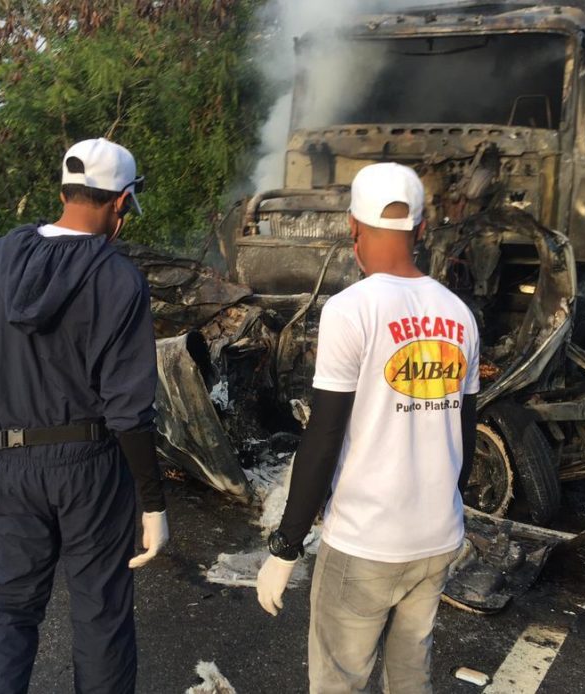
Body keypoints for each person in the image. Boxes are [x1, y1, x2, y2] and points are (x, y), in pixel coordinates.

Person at [0, 137, 168, 694]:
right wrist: (153, 501)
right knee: (101, 613)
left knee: (5, 611)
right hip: (91, 465)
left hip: (10, 462)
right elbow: (128, 406)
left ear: (65, 190)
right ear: (119, 204)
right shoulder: (118, 278)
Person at [255, 162, 480, 693]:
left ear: (352, 228)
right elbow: (463, 440)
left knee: (339, 683)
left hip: (365, 543)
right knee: (409, 679)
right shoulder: (460, 314)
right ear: (422, 231)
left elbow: (324, 435)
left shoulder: (350, 309)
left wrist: (286, 546)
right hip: (436, 539)